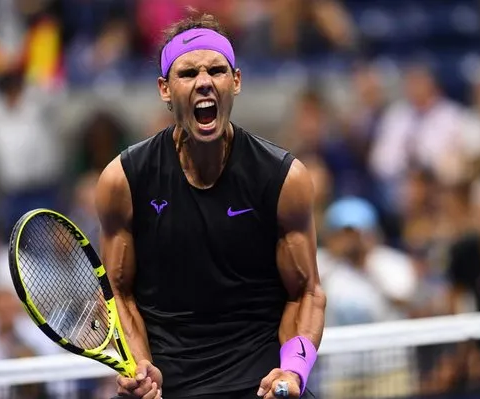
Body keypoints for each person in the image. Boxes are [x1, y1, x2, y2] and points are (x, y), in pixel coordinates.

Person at [95, 11, 326, 399]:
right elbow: (119, 292)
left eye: (216, 70)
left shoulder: (284, 179)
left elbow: (305, 292)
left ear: (235, 82)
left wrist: (293, 372)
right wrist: (140, 368)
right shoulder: (123, 181)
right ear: (165, 89)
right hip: (169, 386)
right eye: (188, 74)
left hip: (261, 384)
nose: (204, 82)